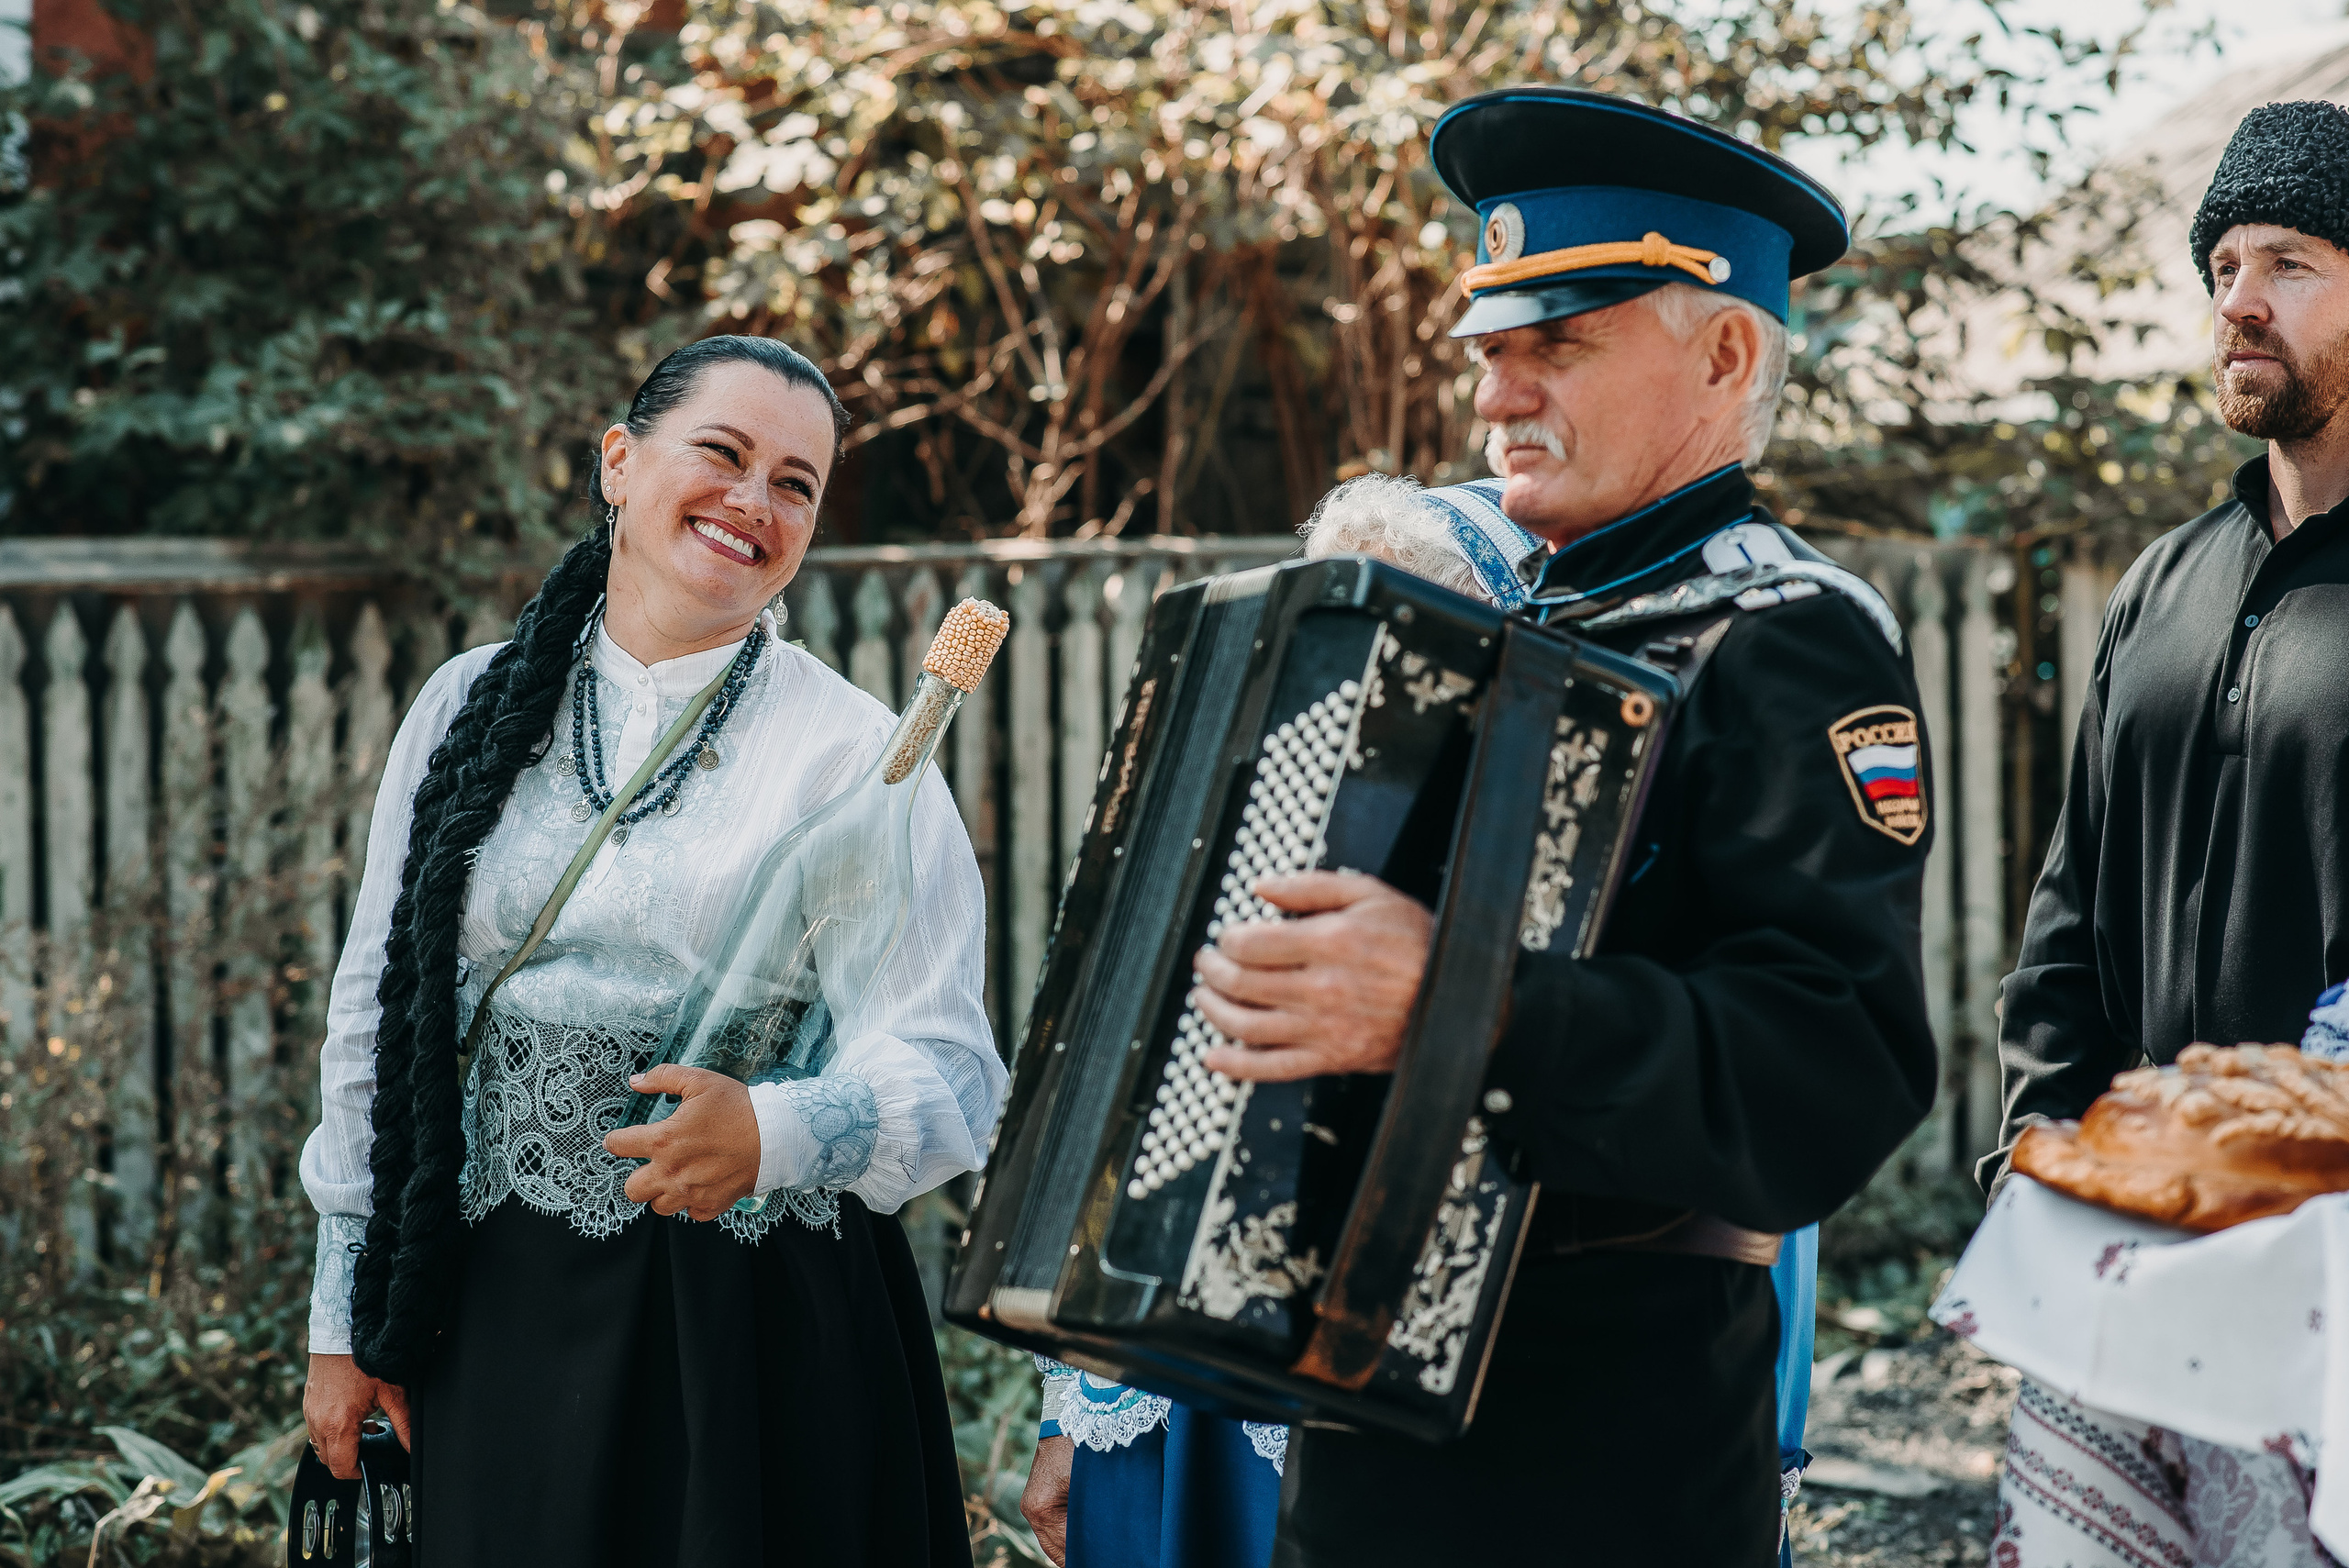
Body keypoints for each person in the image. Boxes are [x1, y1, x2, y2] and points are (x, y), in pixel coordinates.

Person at [1197, 86, 1937, 1567]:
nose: (1495, 397)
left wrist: (1458, 1000)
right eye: (1491, 351)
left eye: (1560, 345)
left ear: (1725, 352)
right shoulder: (1456, 620)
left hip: (1607, 1432)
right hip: (1357, 1380)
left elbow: (1830, 1074)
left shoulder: (1782, 640)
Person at [296, 336, 1002, 1567]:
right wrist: (346, 1316)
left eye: (796, 483)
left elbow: (954, 1078)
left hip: (750, 1321)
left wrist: (769, 1133)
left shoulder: (856, 756)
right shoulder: (466, 706)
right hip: (492, 1300)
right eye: (722, 455)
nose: (753, 503)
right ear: (621, 462)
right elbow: (377, 1015)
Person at [1016, 475, 1536, 1568]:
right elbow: (1110, 1120)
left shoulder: (1533, 863)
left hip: (1390, 1396)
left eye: (1407, 629)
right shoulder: (1222, 819)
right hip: (1172, 1384)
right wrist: (1072, 1410)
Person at [1978, 99, 2349, 1565]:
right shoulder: (2161, 585)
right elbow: (2067, 911)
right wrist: (2037, 1155)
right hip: (2125, 1253)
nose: (2238, 301)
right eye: (2222, 265)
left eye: (2293, 261)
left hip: (2329, 1280)